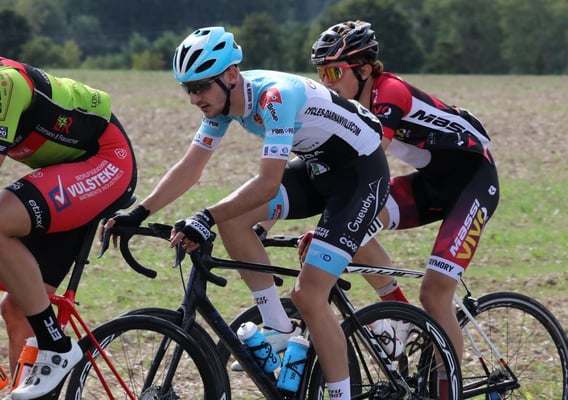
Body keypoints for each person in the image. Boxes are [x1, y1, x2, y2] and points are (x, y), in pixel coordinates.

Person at [106, 26, 389, 399]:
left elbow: (268, 184)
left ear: (230, 75)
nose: (194, 99)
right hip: (319, 168)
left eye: (200, 87)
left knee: (309, 296)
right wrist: (139, 212)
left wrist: (205, 216)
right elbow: (191, 167)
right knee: (234, 219)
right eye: (188, 89)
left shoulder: (274, 98)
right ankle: (278, 327)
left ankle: (340, 394)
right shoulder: (223, 104)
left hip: (359, 177)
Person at [307, 20, 500, 394]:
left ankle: (447, 391)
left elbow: (367, 157)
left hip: (473, 185)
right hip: (430, 185)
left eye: (334, 72)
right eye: (321, 74)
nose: (327, 83)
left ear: (364, 70)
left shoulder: (389, 92)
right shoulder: (354, 103)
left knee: (434, 294)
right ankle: (403, 320)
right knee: (351, 229)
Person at [0, 57, 137, 399]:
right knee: (17, 309)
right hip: (64, 172)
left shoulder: (5, 85)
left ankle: (55, 344)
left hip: (105, 161)